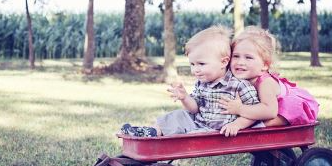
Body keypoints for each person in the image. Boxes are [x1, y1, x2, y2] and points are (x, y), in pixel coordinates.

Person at [121, 26, 260, 138]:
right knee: (178, 115)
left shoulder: (239, 86)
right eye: (192, 64)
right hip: (199, 123)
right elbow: (195, 109)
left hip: (216, 132)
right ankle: (150, 132)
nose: (195, 70)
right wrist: (185, 98)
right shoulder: (202, 83)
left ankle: (165, 139)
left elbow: (254, 113)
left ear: (223, 62)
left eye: (201, 64)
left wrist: (237, 125)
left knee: (190, 137)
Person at [219, 26, 319, 127]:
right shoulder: (239, 77)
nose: (240, 62)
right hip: (269, 107)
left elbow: (270, 111)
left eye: (248, 57)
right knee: (253, 116)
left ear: (265, 65)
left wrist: (239, 109)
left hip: (290, 108)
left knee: (264, 122)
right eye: (236, 56)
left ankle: (259, 129)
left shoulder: (265, 83)